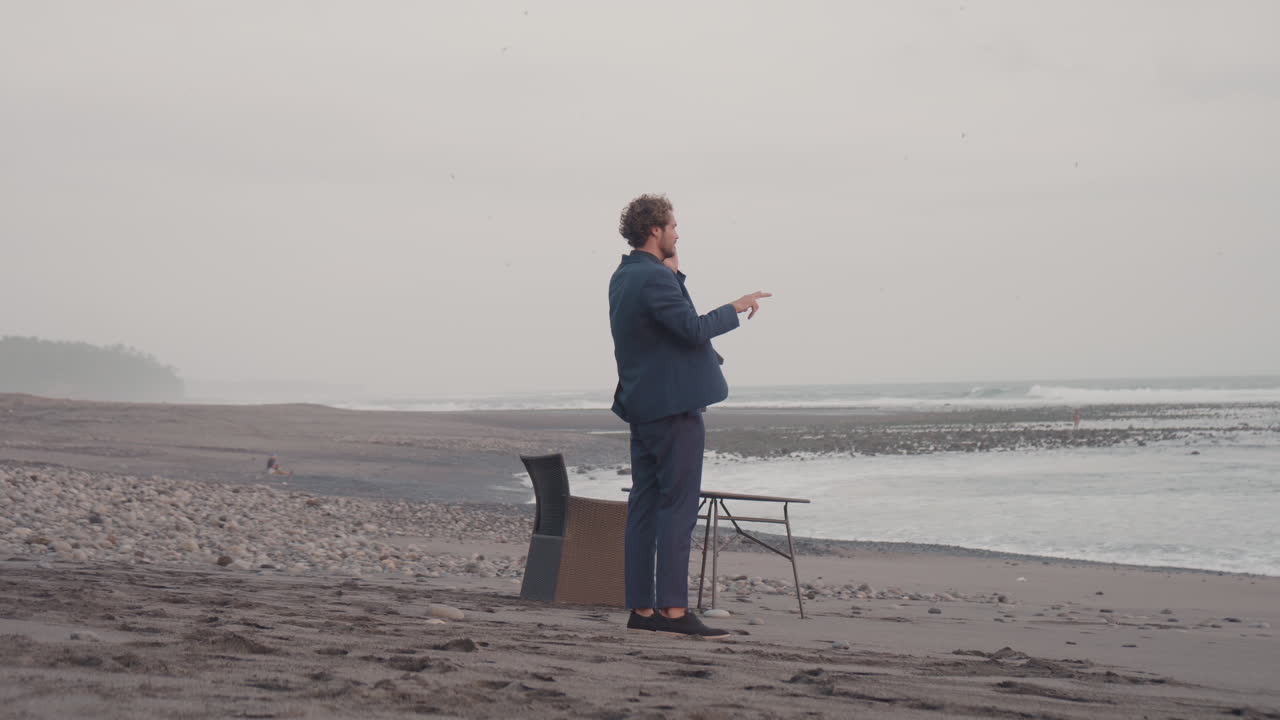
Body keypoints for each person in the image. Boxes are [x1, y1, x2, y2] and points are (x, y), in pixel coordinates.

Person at [608, 194, 770, 639]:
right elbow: (692, 328)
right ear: (655, 230)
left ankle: (642, 610)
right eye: (674, 227)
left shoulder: (625, 277)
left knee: (643, 508)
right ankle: (675, 612)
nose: (678, 233)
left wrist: (675, 273)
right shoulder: (652, 280)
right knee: (678, 511)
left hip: (642, 407)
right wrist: (735, 307)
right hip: (672, 409)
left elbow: (667, 324)